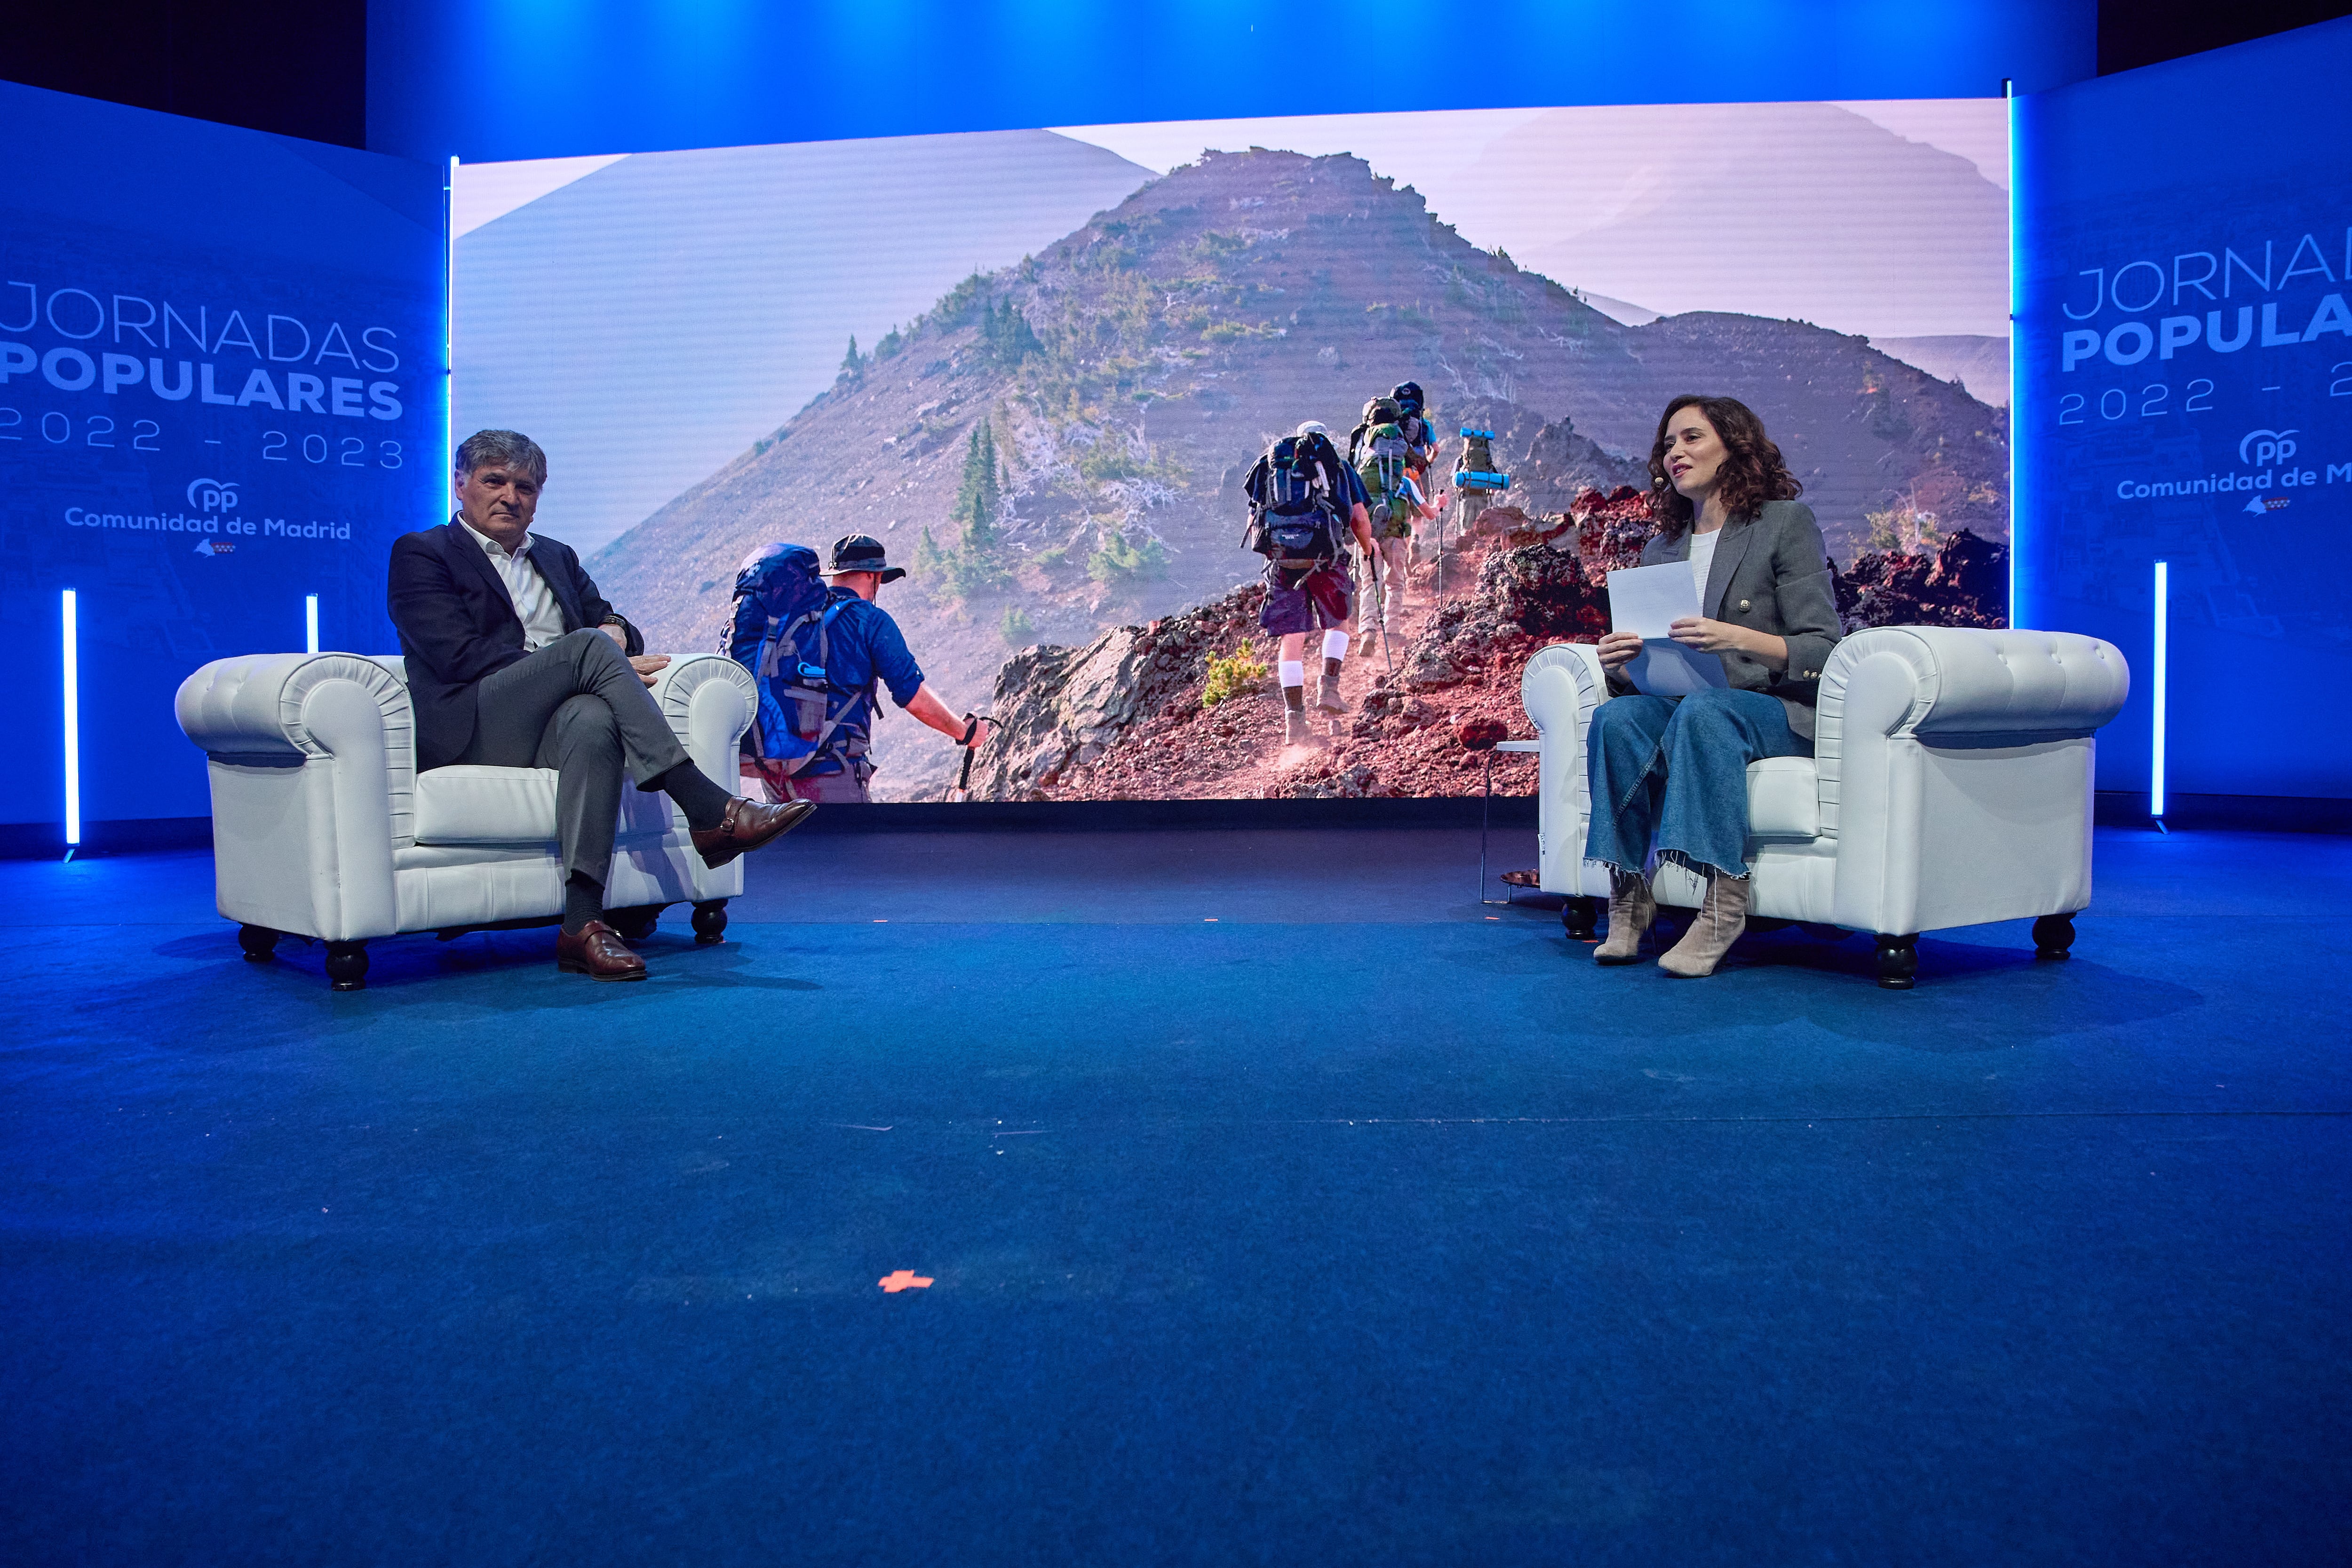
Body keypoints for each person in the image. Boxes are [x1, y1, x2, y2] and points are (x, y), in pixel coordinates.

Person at [388, 430, 815, 983]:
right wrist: (576, 655)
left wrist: (609, 636)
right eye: (494, 482)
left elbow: (615, 625)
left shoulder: (557, 558)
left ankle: (583, 926)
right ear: (461, 485)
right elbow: (457, 657)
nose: (510, 497)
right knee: (587, 649)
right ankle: (709, 810)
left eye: (525, 487)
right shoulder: (423, 554)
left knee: (592, 721)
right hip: (472, 721)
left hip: (549, 724)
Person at [1583, 396, 1841, 978]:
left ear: (1734, 444)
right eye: (1668, 444)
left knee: (1705, 712)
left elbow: (1822, 650)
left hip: (1775, 710)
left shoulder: (1783, 523)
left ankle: (1724, 904)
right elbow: (1657, 672)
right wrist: (1621, 661)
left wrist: (1735, 638)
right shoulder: (1661, 550)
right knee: (1616, 720)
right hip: (1691, 705)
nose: (1675, 453)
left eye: (1691, 438)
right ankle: (1629, 894)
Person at [735, 533, 996, 803]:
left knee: (793, 846)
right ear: (874, 577)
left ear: (835, 575)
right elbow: (911, 695)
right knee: (853, 846)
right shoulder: (869, 620)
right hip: (832, 774)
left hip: (776, 773)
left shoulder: (796, 619)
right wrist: (963, 732)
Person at [1247, 421, 1376, 745]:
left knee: (1291, 640)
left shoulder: (1270, 467)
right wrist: (1367, 548)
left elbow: (1254, 521)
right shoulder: (1338, 467)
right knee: (1338, 625)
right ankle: (1329, 688)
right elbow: (1359, 519)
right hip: (1326, 560)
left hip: (1283, 563)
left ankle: (1295, 722)